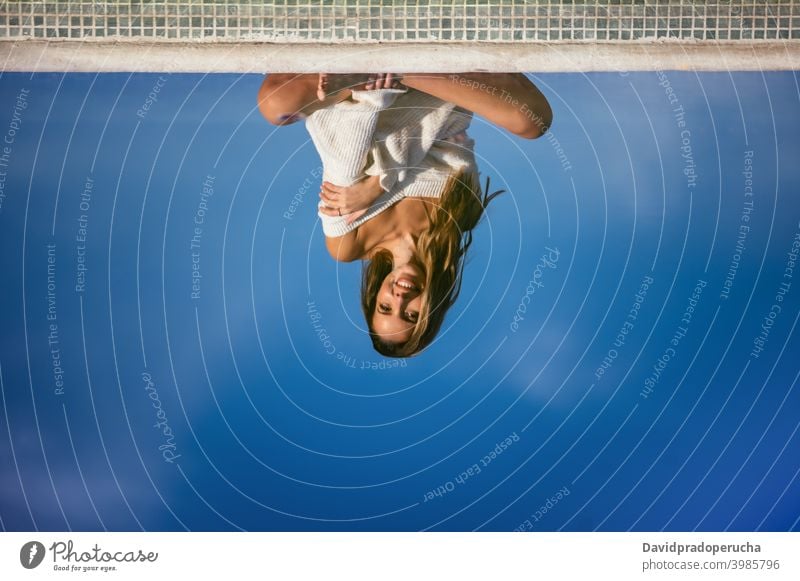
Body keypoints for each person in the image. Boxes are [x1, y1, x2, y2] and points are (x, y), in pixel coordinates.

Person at [258, 73, 552, 356]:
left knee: (275, 105)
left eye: (385, 307)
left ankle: (371, 74)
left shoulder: (348, 245)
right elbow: (441, 128)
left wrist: (369, 96)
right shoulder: (458, 218)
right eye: (411, 314)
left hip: (357, 99)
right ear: (430, 310)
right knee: (532, 122)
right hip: (431, 85)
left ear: (374, 298)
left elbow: (343, 153)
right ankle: (389, 71)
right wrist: (380, 183)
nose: (399, 299)